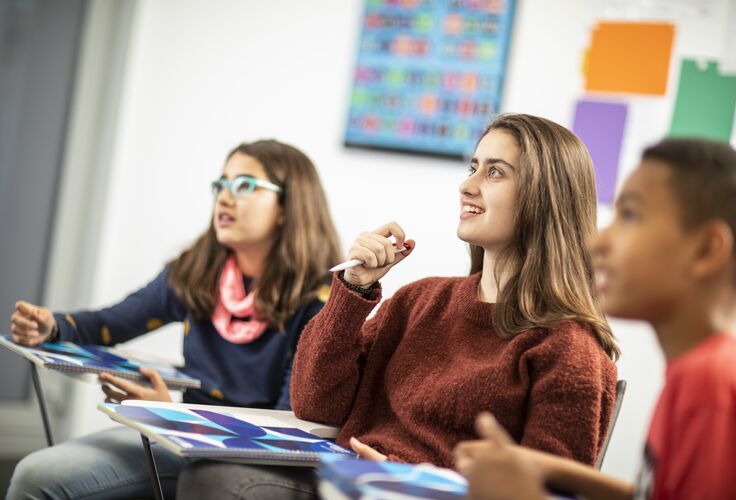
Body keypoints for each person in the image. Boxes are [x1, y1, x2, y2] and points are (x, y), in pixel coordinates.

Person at [176, 114, 620, 500]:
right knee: (209, 473)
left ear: (546, 197)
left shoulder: (571, 351)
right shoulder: (420, 300)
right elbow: (313, 403)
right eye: (472, 167)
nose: (467, 185)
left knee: (217, 482)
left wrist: (419, 483)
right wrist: (352, 293)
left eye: (496, 173)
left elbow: (546, 494)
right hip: (339, 482)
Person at [7, 139, 342, 500]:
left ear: (286, 207)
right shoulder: (195, 270)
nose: (225, 198)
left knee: (207, 484)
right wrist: (53, 326)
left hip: (253, 460)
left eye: (244, 186)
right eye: (221, 185)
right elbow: (113, 322)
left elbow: (285, 428)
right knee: (35, 475)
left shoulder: (320, 303)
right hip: (183, 436)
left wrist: (177, 417)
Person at [454, 138, 736, 500]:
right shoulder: (716, 365)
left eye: (630, 216)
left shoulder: (710, 386)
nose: (598, 242)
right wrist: (547, 470)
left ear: (706, 250)